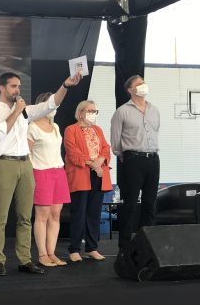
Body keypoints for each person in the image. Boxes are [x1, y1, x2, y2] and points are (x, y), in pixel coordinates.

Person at [0, 71, 82, 276]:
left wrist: (65, 85)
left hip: (25, 164)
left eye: (19, 86)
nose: (18, 90)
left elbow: (51, 104)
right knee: (0, 216)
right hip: (4, 163)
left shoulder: (25, 111)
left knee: (25, 216)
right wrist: (17, 111)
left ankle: (25, 259)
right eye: (13, 86)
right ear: (2, 88)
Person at [110, 75, 160, 250]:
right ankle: (124, 246)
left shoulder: (154, 110)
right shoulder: (122, 111)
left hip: (153, 158)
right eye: (139, 84)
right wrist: (126, 157)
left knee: (150, 203)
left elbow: (155, 132)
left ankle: (147, 243)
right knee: (130, 203)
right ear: (130, 90)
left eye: (143, 83)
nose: (143, 86)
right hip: (132, 159)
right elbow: (115, 141)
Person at [64, 100, 112, 262]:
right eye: (90, 111)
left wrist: (99, 162)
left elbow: (105, 148)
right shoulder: (71, 130)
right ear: (80, 113)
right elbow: (73, 152)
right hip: (81, 174)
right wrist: (94, 165)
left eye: (95, 111)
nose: (93, 114)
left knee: (94, 213)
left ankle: (92, 248)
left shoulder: (97, 129)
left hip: (98, 174)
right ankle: (74, 249)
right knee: (79, 212)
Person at [27, 93, 70, 267]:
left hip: (59, 172)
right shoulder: (32, 127)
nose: (54, 108)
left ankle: (52, 253)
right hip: (41, 172)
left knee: (55, 214)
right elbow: (27, 154)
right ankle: (42, 254)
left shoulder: (56, 126)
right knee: (42, 215)